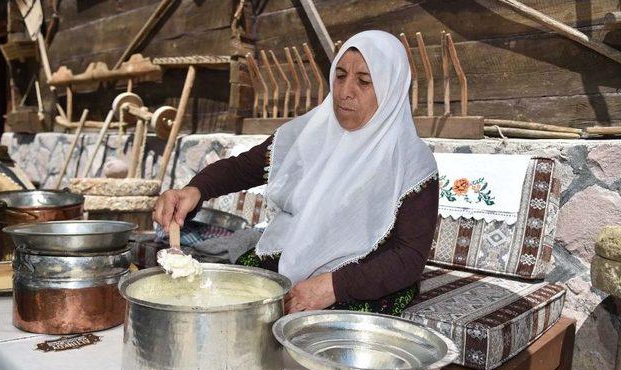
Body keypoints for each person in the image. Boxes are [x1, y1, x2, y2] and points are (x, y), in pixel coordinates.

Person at [153, 30, 439, 316]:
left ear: (391, 89)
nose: (345, 91)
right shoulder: (308, 134)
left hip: (363, 279)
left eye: (364, 81)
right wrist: (194, 190)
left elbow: (409, 257)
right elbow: (242, 168)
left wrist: (331, 287)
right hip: (290, 257)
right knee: (231, 303)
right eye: (340, 76)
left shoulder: (411, 163)